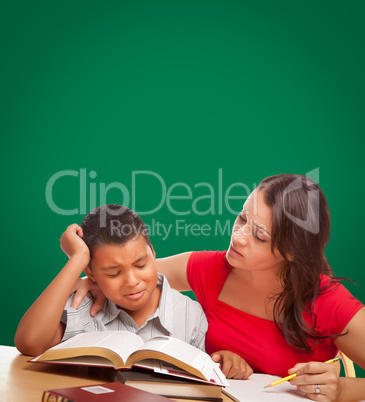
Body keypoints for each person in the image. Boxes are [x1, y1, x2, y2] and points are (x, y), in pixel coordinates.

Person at [73, 174, 365, 402]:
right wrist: (92, 276)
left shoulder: (328, 301)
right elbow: (132, 271)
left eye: (259, 236)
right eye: (241, 218)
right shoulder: (210, 269)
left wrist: (341, 390)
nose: (237, 237)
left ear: (292, 251)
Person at [14, 204, 246, 378]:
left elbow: (204, 375)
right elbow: (29, 342)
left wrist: (224, 361)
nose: (132, 281)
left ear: (153, 253)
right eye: (113, 273)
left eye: (141, 264)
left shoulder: (190, 314)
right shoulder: (83, 306)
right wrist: (77, 259)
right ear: (91, 274)